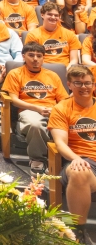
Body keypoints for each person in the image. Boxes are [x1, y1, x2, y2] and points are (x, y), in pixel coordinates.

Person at [2, 41, 68, 173]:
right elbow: (14, 100)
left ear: (44, 57)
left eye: (39, 56)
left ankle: (66, 158)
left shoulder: (52, 75)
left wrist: (56, 110)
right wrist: (37, 108)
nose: (35, 59)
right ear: (23, 56)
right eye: (31, 55)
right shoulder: (15, 74)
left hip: (53, 110)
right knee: (36, 124)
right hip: (28, 110)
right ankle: (38, 158)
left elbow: (64, 99)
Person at [49, 64, 96, 237]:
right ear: (69, 85)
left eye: (87, 83)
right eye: (78, 83)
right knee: (79, 171)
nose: (84, 87)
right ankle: (79, 233)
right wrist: (76, 158)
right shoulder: (61, 108)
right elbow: (60, 143)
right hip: (82, 160)